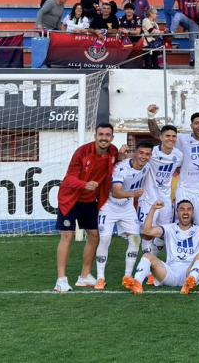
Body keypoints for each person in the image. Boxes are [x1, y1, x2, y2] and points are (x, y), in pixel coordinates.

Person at [147, 105, 199, 282]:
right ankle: (159, 266)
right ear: (191, 126)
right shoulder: (181, 138)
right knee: (174, 229)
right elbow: (156, 133)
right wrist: (151, 116)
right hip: (185, 190)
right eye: (196, 123)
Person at [54, 123, 120, 293]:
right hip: (70, 199)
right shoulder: (82, 152)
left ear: (112, 138)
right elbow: (69, 179)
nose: (103, 138)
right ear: (95, 136)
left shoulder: (113, 151)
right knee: (67, 235)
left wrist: (125, 153)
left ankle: (84, 276)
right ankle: (61, 279)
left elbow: (119, 161)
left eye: (107, 135)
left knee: (94, 235)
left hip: (90, 201)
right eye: (100, 134)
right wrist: (84, 185)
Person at [124, 199, 199, 295]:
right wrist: (153, 209)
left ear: (192, 214)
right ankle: (137, 283)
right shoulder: (169, 228)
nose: (185, 212)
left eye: (189, 210)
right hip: (169, 273)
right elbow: (147, 231)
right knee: (147, 255)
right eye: (182, 209)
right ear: (177, 213)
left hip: (189, 272)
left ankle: (189, 284)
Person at [94, 142, 151, 290]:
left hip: (127, 207)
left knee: (135, 239)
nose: (144, 157)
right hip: (109, 205)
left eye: (147, 154)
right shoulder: (121, 168)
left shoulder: (147, 166)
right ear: (136, 153)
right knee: (105, 238)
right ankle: (100, 278)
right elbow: (116, 191)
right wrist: (133, 194)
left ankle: (127, 275)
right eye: (141, 153)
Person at [138, 124, 184, 264]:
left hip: (165, 199)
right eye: (167, 136)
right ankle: (145, 265)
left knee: (164, 233)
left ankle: (151, 261)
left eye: (173, 136)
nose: (171, 139)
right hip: (148, 198)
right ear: (161, 137)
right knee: (147, 233)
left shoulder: (178, 155)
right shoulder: (152, 153)